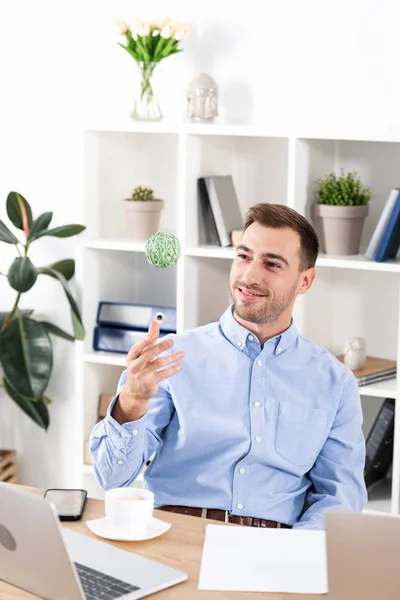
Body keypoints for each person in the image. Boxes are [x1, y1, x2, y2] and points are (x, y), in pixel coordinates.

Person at [90, 203, 367, 530]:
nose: (250, 276)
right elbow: (112, 479)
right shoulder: (170, 358)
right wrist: (132, 402)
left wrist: (294, 554)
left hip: (274, 549)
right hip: (176, 536)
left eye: (272, 263)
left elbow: (341, 497)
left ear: (305, 280)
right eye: (244, 256)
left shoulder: (334, 381)